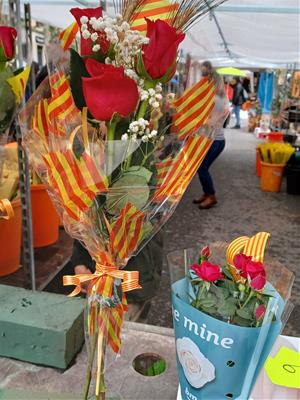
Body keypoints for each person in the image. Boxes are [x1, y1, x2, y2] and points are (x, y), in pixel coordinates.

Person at [71, 232, 164, 322]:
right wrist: (79, 260)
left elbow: (151, 221)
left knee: (124, 332)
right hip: (95, 277)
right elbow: (82, 223)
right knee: (96, 327)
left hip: (132, 283)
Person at [193, 61, 228, 210]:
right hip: (211, 139)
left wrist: (194, 120)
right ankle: (207, 193)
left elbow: (211, 122)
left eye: (206, 81)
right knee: (201, 167)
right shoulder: (213, 98)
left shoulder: (216, 100)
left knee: (202, 167)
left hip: (216, 141)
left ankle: (211, 196)